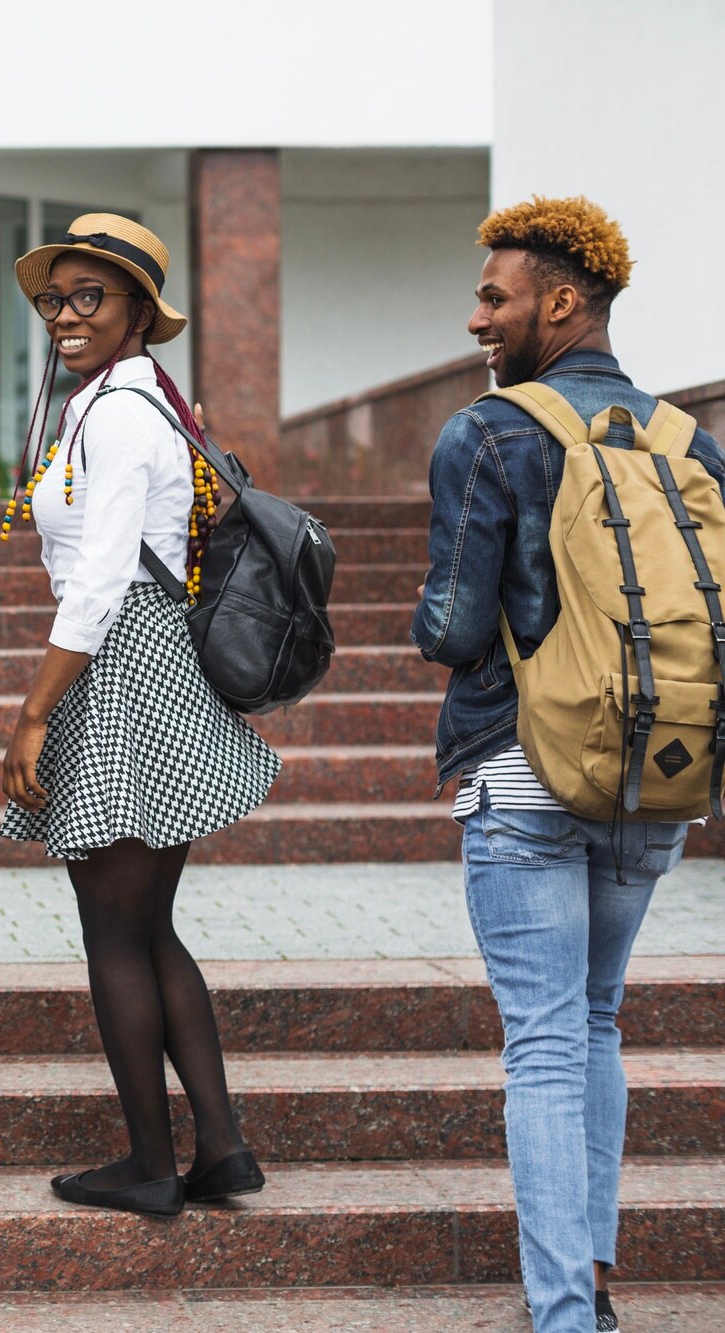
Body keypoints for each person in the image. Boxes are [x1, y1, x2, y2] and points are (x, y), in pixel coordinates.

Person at [411, 196, 725, 1333]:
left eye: (493, 296)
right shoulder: (689, 443)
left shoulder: (487, 432)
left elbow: (451, 630)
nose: (475, 318)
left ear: (559, 301)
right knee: (594, 1020)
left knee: (540, 1039)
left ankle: (561, 1315)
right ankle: (586, 1273)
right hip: (656, 774)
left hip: (522, 771)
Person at [0, 215, 278, 1219]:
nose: (65, 316)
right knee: (146, 922)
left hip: (121, 666)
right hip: (142, 662)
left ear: (134, 313)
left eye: (87, 298)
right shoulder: (128, 402)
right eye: (53, 299)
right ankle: (221, 1147)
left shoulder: (120, 413)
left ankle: (150, 1162)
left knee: (113, 929)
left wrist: (34, 712)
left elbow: (102, 577)